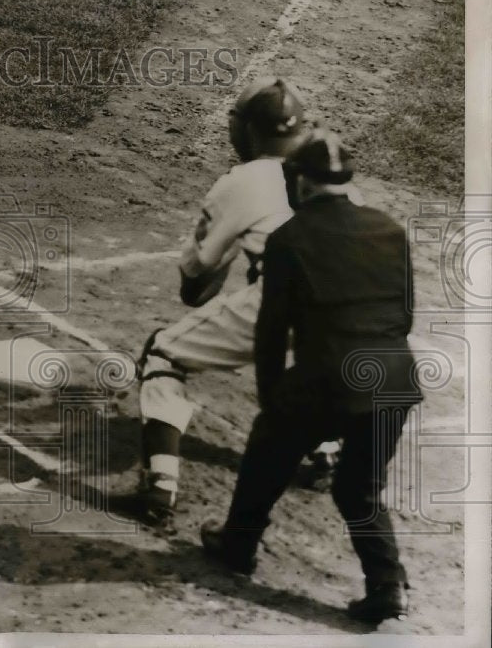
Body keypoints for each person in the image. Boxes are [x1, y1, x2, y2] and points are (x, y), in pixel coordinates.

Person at [201, 131, 420, 624]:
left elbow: (273, 331)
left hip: (330, 379)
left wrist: (271, 398)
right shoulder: (389, 228)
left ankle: (237, 544)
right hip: (396, 381)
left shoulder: (289, 239)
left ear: (298, 181)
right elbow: (404, 316)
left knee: (269, 442)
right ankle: (388, 584)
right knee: (359, 488)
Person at [136, 77, 338, 527]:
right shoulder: (331, 166)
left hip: (287, 299)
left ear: (246, 131)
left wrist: (230, 255)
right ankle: (328, 453)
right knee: (299, 362)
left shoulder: (243, 181)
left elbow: (194, 290)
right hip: (359, 305)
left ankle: (159, 488)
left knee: (164, 352)